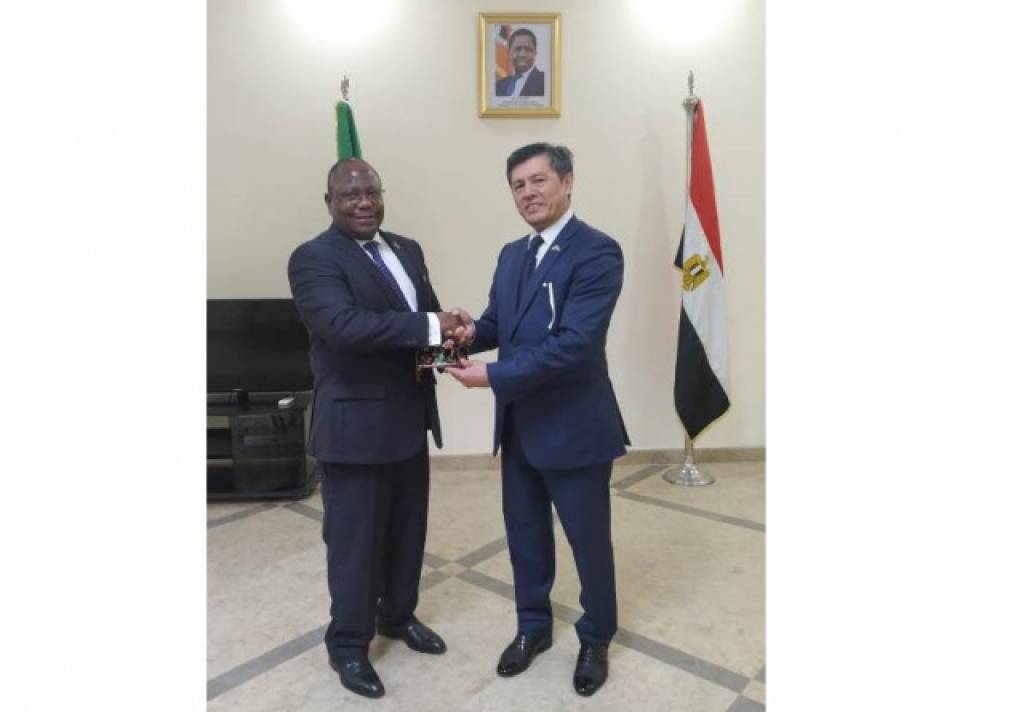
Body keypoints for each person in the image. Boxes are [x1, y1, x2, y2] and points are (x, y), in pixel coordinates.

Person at [448, 143, 630, 696]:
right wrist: (469, 335)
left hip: (575, 427)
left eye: (538, 180)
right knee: (525, 536)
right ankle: (533, 627)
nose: (528, 193)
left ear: (568, 182)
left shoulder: (597, 252)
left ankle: (595, 636)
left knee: (587, 542)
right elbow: (499, 323)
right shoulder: (512, 254)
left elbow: (575, 344)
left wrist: (492, 376)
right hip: (520, 426)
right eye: (518, 185)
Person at [287, 157, 471, 699]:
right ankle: (347, 645)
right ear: (329, 203)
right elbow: (342, 326)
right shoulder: (313, 258)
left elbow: (425, 326)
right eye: (350, 195)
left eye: (371, 191)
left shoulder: (407, 249)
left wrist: (455, 340)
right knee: (355, 546)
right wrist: (432, 324)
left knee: (406, 533)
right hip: (354, 430)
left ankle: (398, 616)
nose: (363, 202)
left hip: (409, 420)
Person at [495, 28, 545, 97]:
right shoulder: (498, 86)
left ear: (535, 53)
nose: (522, 54)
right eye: (517, 49)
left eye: (528, 49)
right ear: (509, 53)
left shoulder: (547, 82)